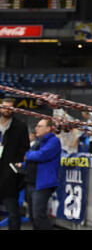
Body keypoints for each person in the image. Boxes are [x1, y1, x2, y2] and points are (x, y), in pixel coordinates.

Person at [18, 118, 61, 230]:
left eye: (39, 126)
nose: (36, 128)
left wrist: (28, 155)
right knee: (33, 216)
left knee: (39, 215)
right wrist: (22, 164)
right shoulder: (38, 141)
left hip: (43, 183)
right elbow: (30, 157)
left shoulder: (54, 141)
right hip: (31, 182)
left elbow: (41, 155)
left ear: (48, 128)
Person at [0, 98, 30, 230]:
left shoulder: (20, 126)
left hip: (9, 176)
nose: (7, 109)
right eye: (5, 107)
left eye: (10, 107)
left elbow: (25, 148)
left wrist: (14, 167)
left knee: (13, 212)